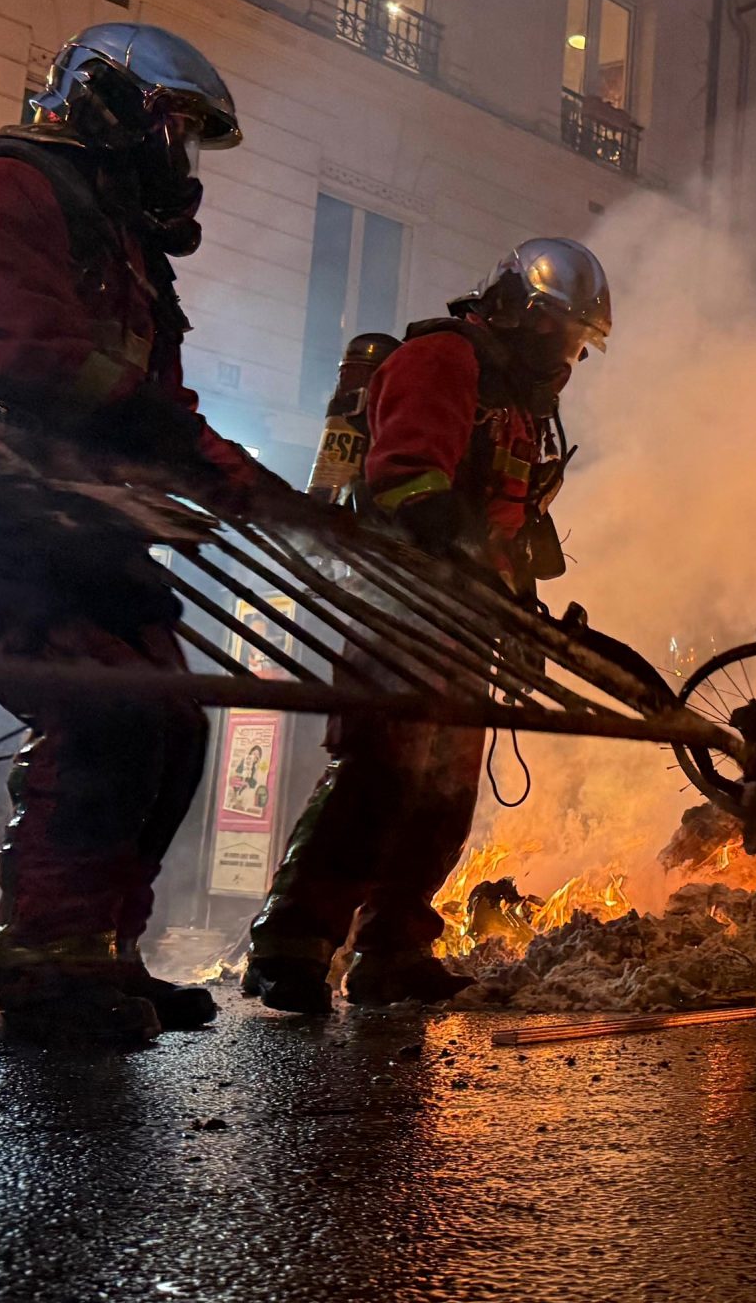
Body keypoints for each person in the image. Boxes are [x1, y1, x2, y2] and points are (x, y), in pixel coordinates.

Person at [0, 23, 276, 1047]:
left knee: (175, 725)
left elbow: (151, 393)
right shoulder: (6, 190)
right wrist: (173, 440)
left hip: (81, 513)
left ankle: (107, 951)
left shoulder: (120, 239)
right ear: (107, 102)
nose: (181, 156)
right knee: (106, 712)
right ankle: (49, 971)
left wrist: (221, 470)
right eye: (175, 126)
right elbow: (37, 354)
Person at [245, 239, 610, 1012]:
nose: (568, 356)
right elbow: (407, 479)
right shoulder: (444, 360)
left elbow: (507, 521)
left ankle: (392, 950)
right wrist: (465, 558)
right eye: (564, 334)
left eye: (579, 341)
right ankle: (290, 944)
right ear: (519, 312)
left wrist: (513, 606)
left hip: (463, 617)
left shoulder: (516, 402)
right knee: (379, 772)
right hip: (401, 604)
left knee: (444, 792)